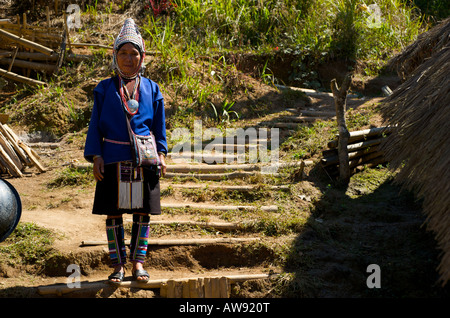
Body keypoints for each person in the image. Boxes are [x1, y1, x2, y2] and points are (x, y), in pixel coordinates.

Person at [84, 18, 167, 284]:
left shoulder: (152, 89)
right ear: (115, 56)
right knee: (114, 213)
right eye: (123, 53)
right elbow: (95, 124)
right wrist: (96, 155)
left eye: (134, 54)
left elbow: (159, 127)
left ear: (142, 57)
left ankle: (138, 264)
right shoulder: (104, 88)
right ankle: (118, 265)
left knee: (143, 214)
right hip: (113, 158)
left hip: (145, 159)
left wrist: (162, 154)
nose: (129, 59)